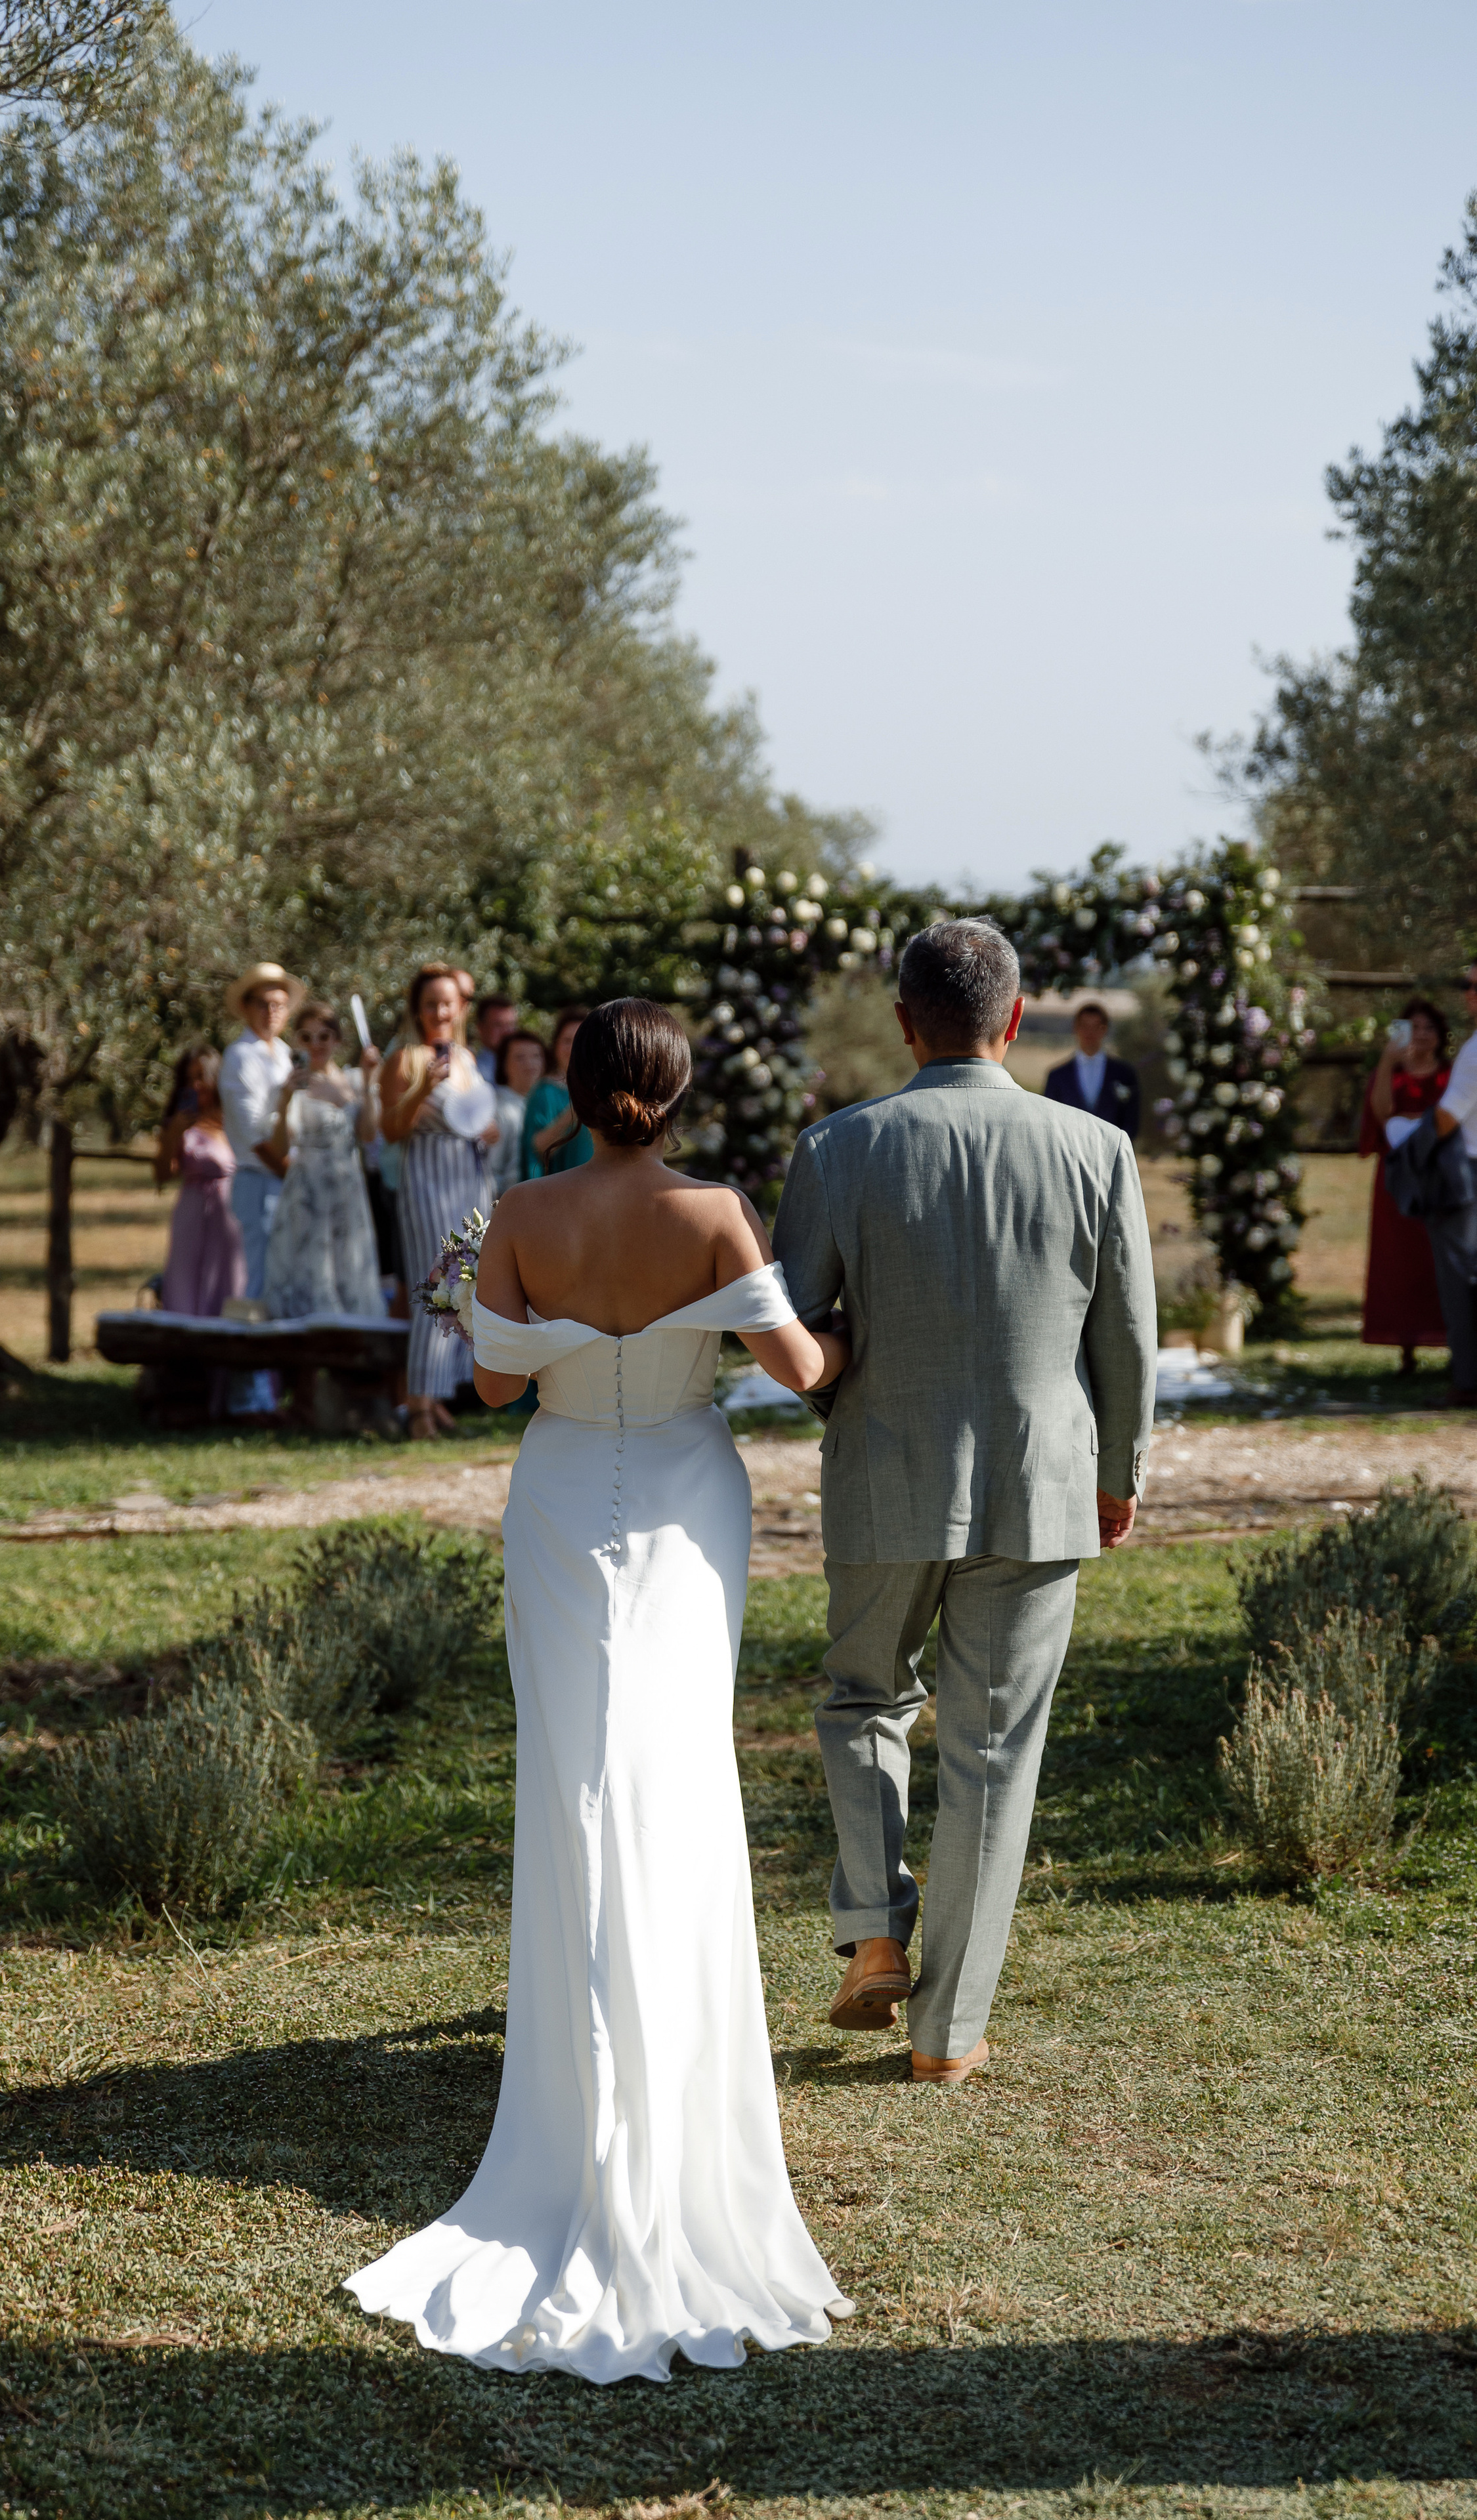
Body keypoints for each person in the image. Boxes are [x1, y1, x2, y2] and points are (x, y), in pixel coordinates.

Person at [348, 999, 853, 2382]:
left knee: (577, 1778)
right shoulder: (716, 1212)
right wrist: (849, 1323)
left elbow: (493, 1387)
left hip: (565, 1496)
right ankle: (676, 2068)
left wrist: (478, 1288)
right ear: (678, 1090)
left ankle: (578, 2086)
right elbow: (802, 1370)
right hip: (688, 1497)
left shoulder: (520, 1211)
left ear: (568, 1090)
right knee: (677, 1770)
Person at [773, 919, 1156, 2084]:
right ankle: (946, 2037)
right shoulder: (1096, 1149)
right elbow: (1129, 1340)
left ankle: (874, 1933)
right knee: (994, 1753)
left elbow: (792, 1330)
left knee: (862, 1699)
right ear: (1017, 1015)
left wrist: (844, 1401)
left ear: (904, 1022)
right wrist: (1119, 1472)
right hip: (1042, 1482)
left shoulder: (836, 1148)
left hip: (885, 1468)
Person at [381, 962, 501, 1439]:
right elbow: (391, 1130)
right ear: (418, 1010)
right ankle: (417, 1406)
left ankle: (438, 1397)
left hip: (470, 1177)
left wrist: (489, 1129)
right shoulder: (405, 1060)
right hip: (427, 1176)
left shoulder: (469, 1059)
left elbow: (482, 1122)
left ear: (460, 1007)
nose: (440, 1012)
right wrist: (423, 1090)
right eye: (430, 1003)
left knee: (465, 1286)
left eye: (447, 1003)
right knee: (433, 1284)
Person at [262, 1000, 384, 1318]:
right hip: (307, 1192)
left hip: (348, 1188)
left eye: (324, 1036)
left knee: (349, 1271)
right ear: (296, 1042)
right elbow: (279, 1148)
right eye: (307, 1037)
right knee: (309, 1272)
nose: (316, 1044)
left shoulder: (353, 1081)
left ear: (337, 1040)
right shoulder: (291, 1087)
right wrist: (285, 1100)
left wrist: (369, 1083)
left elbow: (369, 1134)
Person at [219, 961, 303, 1412]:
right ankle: (248, 1398)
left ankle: (275, 1389)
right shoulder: (240, 1057)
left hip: (284, 1178)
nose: (272, 1012)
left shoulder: (284, 1053)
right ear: (247, 1008)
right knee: (259, 1281)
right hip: (260, 1177)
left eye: (279, 1004)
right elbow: (255, 1134)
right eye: (263, 1003)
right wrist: (294, 1174)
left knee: (282, 1281)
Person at [1359, 998, 1449, 1374]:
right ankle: (1405, 1346)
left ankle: (1454, 1343)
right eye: (1415, 1028)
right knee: (1398, 1260)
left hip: (1440, 1172)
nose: (1422, 1035)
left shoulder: (1452, 1075)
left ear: (1441, 1034)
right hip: (1398, 1175)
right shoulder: (1392, 1075)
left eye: (1430, 1027)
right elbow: (1381, 1113)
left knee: (1442, 1256)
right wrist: (1387, 1062)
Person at [154, 1045, 246, 1317]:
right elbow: (162, 1174)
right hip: (192, 1213)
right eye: (189, 1078)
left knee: (231, 1280)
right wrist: (174, 1133)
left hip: (231, 1214)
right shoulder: (178, 1125)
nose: (196, 1085)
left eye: (201, 1077)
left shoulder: (234, 1120)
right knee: (185, 1282)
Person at [1428, 961, 1477, 1405]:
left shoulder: (1475, 1051)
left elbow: (1448, 1117)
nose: (1469, 993)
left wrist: (1415, 1143)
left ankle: (1467, 1379)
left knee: (1459, 1276)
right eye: (1466, 984)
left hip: (1468, 1171)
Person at [1042, 999, 1140, 1137]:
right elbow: (1050, 1122)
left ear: (1105, 1029)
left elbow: (1131, 1121)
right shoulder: (1057, 1076)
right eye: (1085, 1026)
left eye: (1096, 1027)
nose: (1090, 1032)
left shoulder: (1124, 1074)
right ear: (1075, 1028)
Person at [521, 1005, 591, 1179]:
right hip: (562, 1186)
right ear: (556, 1045)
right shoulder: (544, 1092)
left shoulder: (604, 1090)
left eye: (580, 1040)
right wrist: (574, 1112)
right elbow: (539, 1149)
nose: (573, 1047)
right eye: (567, 1041)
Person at [490, 1028, 547, 1198]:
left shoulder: (545, 1102)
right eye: (520, 1057)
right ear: (504, 1064)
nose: (530, 1064)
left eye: (536, 1056)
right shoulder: (498, 1109)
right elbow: (492, 1170)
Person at [472, 993, 519, 1084]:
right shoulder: (473, 1070)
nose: (507, 1032)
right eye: (498, 1025)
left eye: (511, 1025)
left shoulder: (529, 1065)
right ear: (480, 1028)